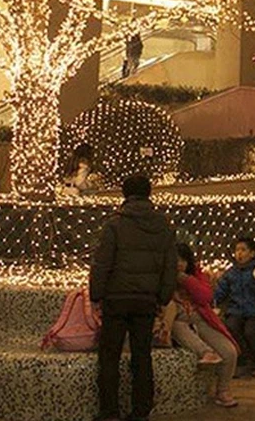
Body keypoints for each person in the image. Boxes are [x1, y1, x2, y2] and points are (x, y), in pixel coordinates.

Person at [89, 173, 176, 421]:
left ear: (125, 194)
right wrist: (163, 297)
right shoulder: (163, 225)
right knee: (141, 355)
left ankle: (109, 411)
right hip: (146, 300)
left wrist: (96, 295)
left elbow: (102, 263)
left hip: (116, 298)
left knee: (109, 356)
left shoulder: (115, 224)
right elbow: (169, 266)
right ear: (149, 193)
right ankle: (141, 411)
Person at [171, 242, 239, 408]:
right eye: (175, 260)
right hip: (177, 322)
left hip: (200, 319)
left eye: (183, 260)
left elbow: (206, 297)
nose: (179, 264)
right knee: (178, 326)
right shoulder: (161, 277)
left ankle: (223, 391)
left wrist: (187, 280)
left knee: (229, 351)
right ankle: (206, 352)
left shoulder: (196, 276)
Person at [213, 236, 255, 378]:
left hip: (254, 312)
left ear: (252, 253)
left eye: (243, 250)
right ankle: (243, 363)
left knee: (251, 331)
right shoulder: (231, 273)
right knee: (231, 327)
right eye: (237, 250)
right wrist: (213, 301)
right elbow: (221, 292)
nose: (239, 254)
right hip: (235, 311)